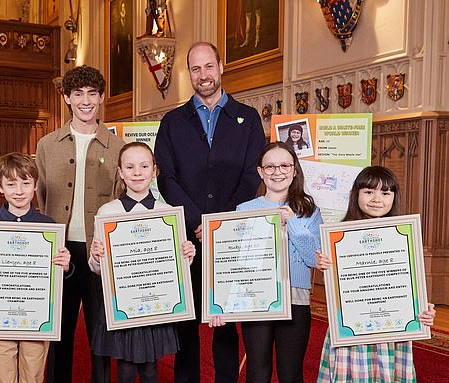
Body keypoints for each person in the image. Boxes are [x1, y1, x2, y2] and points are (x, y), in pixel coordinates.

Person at [154, 41, 266, 382]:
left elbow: (253, 175)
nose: (203, 75)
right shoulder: (172, 122)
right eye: (196, 69)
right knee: (186, 325)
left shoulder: (247, 119)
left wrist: (221, 223)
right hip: (187, 238)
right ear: (189, 73)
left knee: (226, 325)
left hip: (231, 240)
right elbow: (166, 178)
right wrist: (198, 221)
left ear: (221, 67)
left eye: (209, 66)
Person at [36, 65, 125, 383]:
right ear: (67, 98)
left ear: (101, 98)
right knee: (59, 331)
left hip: (101, 251)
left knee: (101, 332)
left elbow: (122, 201)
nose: (85, 101)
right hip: (61, 252)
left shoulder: (117, 148)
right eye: (78, 94)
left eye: (92, 94)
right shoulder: (47, 145)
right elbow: (41, 199)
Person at [209, 142, 322, 382]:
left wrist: (292, 221)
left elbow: (313, 258)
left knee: (290, 373)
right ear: (260, 172)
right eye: (270, 167)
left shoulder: (309, 211)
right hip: (255, 299)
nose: (277, 172)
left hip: (296, 301)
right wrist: (220, 305)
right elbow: (234, 263)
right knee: (257, 372)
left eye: (284, 165)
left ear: (294, 170)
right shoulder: (244, 210)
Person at [315, 166, 436, 382]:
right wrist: (324, 264)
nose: (377, 199)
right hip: (351, 330)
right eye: (369, 191)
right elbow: (336, 291)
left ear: (394, 197)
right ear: (356, 195)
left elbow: (408, 283)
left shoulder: (404, 235)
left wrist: (422, 308)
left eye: (385, 192)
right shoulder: (337, 237)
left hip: (392, 330)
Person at [88, 142, 196, 383]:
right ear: (120, 173)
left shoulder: (168, 212)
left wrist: (186, 256)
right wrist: (96, 257)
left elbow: (173, 268)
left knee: (150, 369)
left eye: (144, 166)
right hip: (123, 304)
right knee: (125, 369)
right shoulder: (107, 212)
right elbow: (95, 268)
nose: (137, 172)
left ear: (154, 171)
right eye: (130, 166)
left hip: (154, 304)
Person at [0, 152, 71, 383]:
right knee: (2, 375)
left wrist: (65, 265)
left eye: (25, 183)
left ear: (35, 186)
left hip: (36, 317)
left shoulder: (49, 227)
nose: (19, 191)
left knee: (32, 375)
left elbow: (59, 277)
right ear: (1, 187)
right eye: (11, 184)